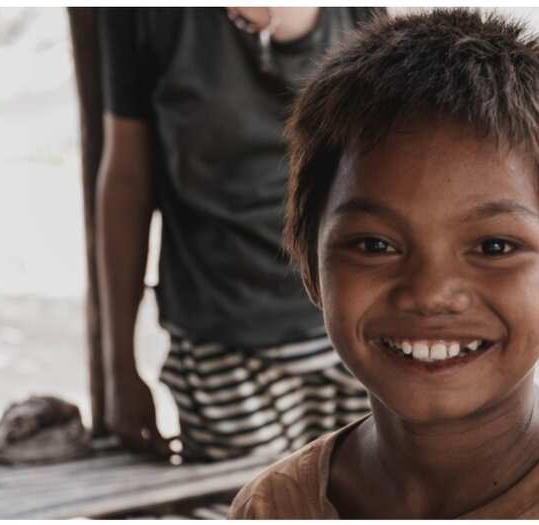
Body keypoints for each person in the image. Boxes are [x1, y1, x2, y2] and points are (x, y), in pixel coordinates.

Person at [229, 9, 539, 519]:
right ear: (310, 265)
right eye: (375, 245)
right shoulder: (276, 506)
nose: (431, 292)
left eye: (494, 248)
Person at [96, 7, 381, 462]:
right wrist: (119, 368)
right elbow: (127, 182)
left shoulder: (357, 13)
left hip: (356, 337)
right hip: (222, 355)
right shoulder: (145, 16)